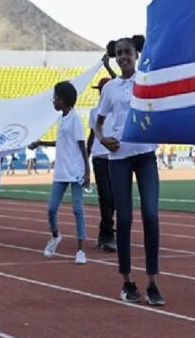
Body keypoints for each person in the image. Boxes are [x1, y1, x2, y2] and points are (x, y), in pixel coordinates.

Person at [93, 35, 164, 306]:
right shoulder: (110, 88)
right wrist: (102, 139)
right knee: (123, 219)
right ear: (115, 57)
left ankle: (153, 283)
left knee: (150, 215)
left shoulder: (147, 80)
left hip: (146, 155)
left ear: (137, 54)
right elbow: (99, 125)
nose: (123, 57)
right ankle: (127, 281)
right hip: (119, 158)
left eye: (128, 53)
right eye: (119, 53)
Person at [29, 81, 90, 264]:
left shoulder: (75, 120)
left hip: (76, 171)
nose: (53, 101)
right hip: (61, 172)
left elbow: (82, 145)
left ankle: (81, 251)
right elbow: (62, 143)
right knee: (51, 208)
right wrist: (41, 143)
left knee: (78, 210)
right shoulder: (62, 119)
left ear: (63, 100)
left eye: (55, 97)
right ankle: (55, 236)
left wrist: (88, 172)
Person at [86, 77, 117, 252]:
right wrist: (86, 160)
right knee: (105, 197)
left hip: (116, 156)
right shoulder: (94, 111)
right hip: (99, 157)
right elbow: (92, 136)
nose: (100, 92)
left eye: (102, 89)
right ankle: (108, 235)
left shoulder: (118, 109)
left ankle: (104, 230)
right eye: (99, 90)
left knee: (114, 199)